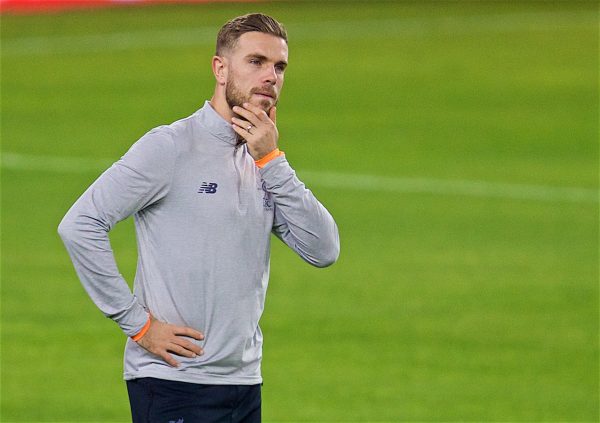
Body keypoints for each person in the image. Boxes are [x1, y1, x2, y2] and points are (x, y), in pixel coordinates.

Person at [57, 13, 339, 423]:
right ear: (220, 69)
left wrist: (271, 160)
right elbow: (80, 224)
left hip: (244, 382)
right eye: (256, 62)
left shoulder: (263, 162)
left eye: (279, 67)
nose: (271, 77)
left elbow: (324, 249)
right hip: (173, 381)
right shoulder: (170, 147)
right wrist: (137, 325)